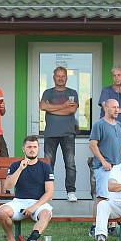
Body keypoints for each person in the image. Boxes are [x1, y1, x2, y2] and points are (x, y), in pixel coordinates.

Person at [0, 136, 54, 241]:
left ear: (38, 148)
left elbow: (49, 193)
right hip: (19, 201)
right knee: (2, 212)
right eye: (29, 147)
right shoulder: (15, 165)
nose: (32, 149)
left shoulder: (45, 167)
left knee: (46, 214)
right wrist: (20, 169)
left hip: (38, 203)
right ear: (24, 149)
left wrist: (33, 207)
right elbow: (7, 186)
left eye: (34, 147)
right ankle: (10, 238)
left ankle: (31, 240)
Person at [39, 66, 79, 202]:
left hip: (68, 133)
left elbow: (71, 111)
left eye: (63, 76)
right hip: (50, 133)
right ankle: (48, 192)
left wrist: (53, 109)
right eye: (58, 76)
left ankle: (71, 191)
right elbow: (43, 106)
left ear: (66, 78)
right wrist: (64, 106)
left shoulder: (72, 92)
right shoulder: (48, 92)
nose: (60, 78)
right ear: (54, 77)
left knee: (70, 163)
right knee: (48, 165)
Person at [89, 99, 121, 203]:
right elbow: (93, 145)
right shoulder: (99, 124)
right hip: (104, 168)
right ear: (106, 108)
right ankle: (97, 220)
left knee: (115, 197)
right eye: (114, 107)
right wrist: (103, 161)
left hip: (118, 168)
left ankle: (112, 220)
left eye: (118, 107)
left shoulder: (119, 125)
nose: (117, 110)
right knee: (102, 197)